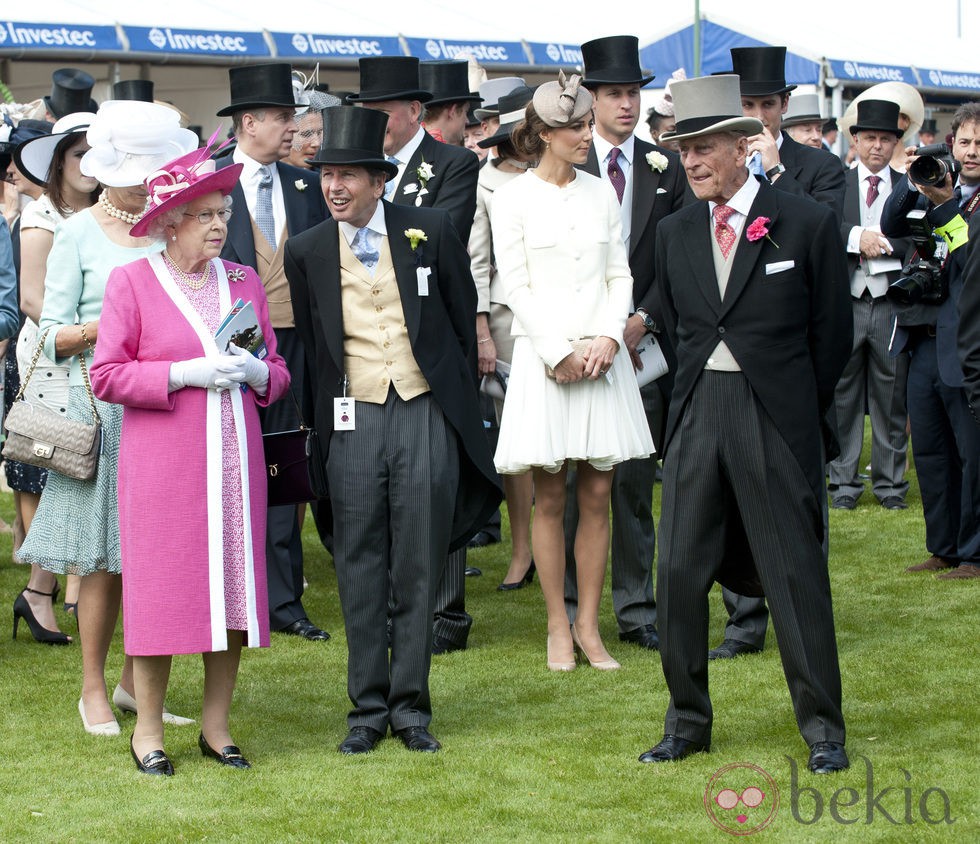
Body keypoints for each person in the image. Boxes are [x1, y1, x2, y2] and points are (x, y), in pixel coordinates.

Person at [642, 74, 852, 774]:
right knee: (675, 573)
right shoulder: (672, 232)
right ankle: (686, 725)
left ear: (743, 146)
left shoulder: (806, 222)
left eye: (704, 148)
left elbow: (830, 337)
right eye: (683, 150)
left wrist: (793, 412)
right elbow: (673, 329)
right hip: (697, 413)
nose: (692, 162)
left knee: (794, 575)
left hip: (775, 418)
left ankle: (823, 729)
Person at [284, 106, 500, 755]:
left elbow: (464, 325)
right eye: (326, 174)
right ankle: (366, 708)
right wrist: (313, 433)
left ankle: (411, 709)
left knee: (419, 560)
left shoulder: (428, 229)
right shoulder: (306, 250)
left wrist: (456, 409)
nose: (334, 186)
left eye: (347, 174)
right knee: (357, 562)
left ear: (380, 181)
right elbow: (314, 353)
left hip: (423, 407)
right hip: (351, 418)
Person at [90, 143, 290, 775]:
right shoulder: (135, 281)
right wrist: (182, 372)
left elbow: (277, 372)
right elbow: (107, 374)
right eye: (204, 214)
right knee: (164, 593)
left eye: (223, 212)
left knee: (231, 596)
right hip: (165, 470)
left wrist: (260, 372)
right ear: (169, 223)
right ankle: (147, 731)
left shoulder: (242, 282)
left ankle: (217, 726)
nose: (217, 225)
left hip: (235, 466)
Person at [18, 100, 198, 736]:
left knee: (158, 554)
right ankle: (93, 688)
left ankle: (134, 685)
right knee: (99, 559)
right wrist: (115, 325)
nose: (151, 179)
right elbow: (52, 334)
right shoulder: (76, 233)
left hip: (169, 407)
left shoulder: (173, 226)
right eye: (140, 168)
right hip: (102, 412)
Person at [491, 73, 654, 673]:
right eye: (572, 127)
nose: (585, 135)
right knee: (550, 494)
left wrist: (611, 337)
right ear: (541, 134)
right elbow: (516, 285)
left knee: (599, 491)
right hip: (546, 360)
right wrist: (558, 350)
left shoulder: (600, 192)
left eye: (587, 124)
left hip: (603, 359)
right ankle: (557, 626)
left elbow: (620, 273)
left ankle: (590, 624)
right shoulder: (511, 198)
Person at [709, 45, 846, 662]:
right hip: (730, 373)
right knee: (734, 500)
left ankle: (802, 605)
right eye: (747, 106)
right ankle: (743, 619)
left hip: (791, 375)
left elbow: (824, 236)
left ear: (786, 108)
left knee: (794, 502)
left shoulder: (816, 168)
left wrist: (777, 178)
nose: (759, 116)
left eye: (767, 105)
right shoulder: (713, 173)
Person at [561, 35, 688, 653]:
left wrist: (641, 321)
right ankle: (565, 611)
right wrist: (582, 335)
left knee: (634, 483)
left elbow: (679, 260)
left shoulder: (666, 165)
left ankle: (636, 608)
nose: (627, 104)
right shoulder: (566, 164)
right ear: (590, 98)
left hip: (643, 349)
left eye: (634, 93)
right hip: (575, 349)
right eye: (614, 93)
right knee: (567, 486)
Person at [350, 55, 481, 653]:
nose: (374, 120)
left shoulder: (451, 163)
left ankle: (444, 612)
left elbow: (436, 235)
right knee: (380, 489)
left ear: (414, 112)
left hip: (431, 340)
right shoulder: (354, 167)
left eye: (383, 111)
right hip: (371, 349)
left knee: (437, 478)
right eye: (366, 110)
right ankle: (388, 609)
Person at [214, 62, 330, 641]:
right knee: (225, 472)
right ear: (248, 121)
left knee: (285, 467)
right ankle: (231, 591)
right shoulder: (209, 184)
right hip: (224, 352)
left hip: (297, 347)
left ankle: (284, 603)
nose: (294, 127)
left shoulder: (305, 185)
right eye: (284, 117)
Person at [9, 112, 99, 643]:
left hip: (94, 356)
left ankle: (49, 589)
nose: (88, 165)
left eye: (96, 153)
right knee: (62, 467)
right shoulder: (43, 215)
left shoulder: (106, 211)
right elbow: (32, 299)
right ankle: (43, 589)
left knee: (80, 473)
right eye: (78, 154)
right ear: (59, 161)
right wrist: (90, 333)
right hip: (50, 359)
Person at [882, 101, 980, 580]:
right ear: (952, 144)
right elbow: (890, 224)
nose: (972, 151)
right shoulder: (939, 179)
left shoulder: (964, 201)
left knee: (972, 451)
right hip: (922, 338)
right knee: (933, 452)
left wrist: (945, 202)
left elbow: (965, 252)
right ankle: (942, 546)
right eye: (964, 142)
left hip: (966, 342)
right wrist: (913, 173)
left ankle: (975, 554)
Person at [468, 85, 536, 590]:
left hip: (563, 321)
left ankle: (561, 539)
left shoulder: (570, 176)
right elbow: (478, 262)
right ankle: (522, 550)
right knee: (515, 441)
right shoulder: (484, 182)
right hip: (509, 325)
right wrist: (482, 331)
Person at [827, 100, 911, 511]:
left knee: (891, 394)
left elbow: (921, 238)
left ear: (896, 142)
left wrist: (890, 244)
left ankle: (891, 484)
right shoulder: (836, 182)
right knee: (842, 393)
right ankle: (843, 482)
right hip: (847, 298)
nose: (877, 146)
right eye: (870, 137)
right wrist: (857, 235)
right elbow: (823, 222)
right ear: (854, 139)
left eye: (886, 139)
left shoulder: (909, 185)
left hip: (891, 301)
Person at [419, 60, 482, 147]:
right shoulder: (463, 158)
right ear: (452, 111)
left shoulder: (404, 151)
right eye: (465, 112)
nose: (467, 121)